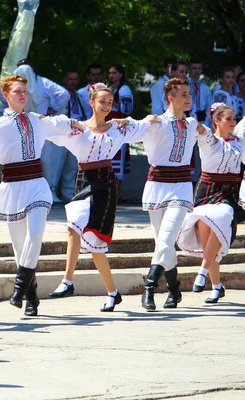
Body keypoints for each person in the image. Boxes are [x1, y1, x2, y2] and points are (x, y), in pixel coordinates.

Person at [47, 83, 159, 311]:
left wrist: (152, 120)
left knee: (96, 244)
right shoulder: (78, 128)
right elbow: (51, 127)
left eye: (110, 102)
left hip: (106, 184)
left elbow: (141, 126)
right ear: (92, 103)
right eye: (102, 102)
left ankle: (112, 292)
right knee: (72, 227)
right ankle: (68, 281)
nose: (106, 106)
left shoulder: (118, 129)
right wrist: (35, 118)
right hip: (84, 180)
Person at [0, 75, 82, 316]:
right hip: (13, 187)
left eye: (25, 91)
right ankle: (31, 296)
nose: (23, 95)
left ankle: (18, 289)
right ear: (5, 95)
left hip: (37, 184)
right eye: (17, 91)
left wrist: (77, 124)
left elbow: (62, 124)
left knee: (35, 233)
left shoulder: (37, 120)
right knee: (20, 247)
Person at [141, 77, 205, 311]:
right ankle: (174, 290)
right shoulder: (157, 122)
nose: (189, 99)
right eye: (184, 95)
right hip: (157, 185)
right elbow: (132, 130)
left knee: (167, 238)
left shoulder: (191, 124)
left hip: (181, 186)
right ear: (171, 98)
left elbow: (210, 137)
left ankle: (148, 287)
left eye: (189, 94)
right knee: (163, 243)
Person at [177, 103, 245, 304]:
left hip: (230, 193)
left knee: (222, 217)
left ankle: (202, 272)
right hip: (207, 190)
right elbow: (196, 126)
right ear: (216, 120)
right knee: (208, 236)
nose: (233, 122)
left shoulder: (240, 141)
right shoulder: (209, 139)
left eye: (234, 118)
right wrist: (178, 113)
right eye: (228, 119)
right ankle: (216, 287)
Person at [13, 62, 71, 204]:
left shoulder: (44, 83)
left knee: (46, 160)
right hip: (20, 127)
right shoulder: (14, 87)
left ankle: (49, 190)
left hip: (40, 125)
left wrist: (53, 108)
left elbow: (64, 94)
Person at [107, 63, 134, 202]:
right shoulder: (110, 89)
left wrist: (113, 101)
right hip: (109, 130)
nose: (111, 76)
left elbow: (127, 109)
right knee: (110, 161)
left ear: (121, 75)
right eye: (110, 73)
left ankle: (117, 193)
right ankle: (112, 192)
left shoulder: (124, 90)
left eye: (114, 73)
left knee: (118, 161)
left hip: (119, 129)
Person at [188, 59, 213, 125]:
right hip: (186, 120)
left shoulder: (205, 88)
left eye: (199, 68)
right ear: (189, 69)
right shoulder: (184, 86)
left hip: (202, 121)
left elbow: (209, 107)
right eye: (194, 68)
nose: (197, 71)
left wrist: (206, 124)